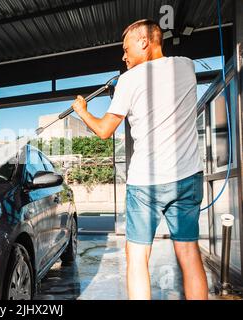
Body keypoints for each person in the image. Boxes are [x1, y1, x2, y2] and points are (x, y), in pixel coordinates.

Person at [71, 19, 208, 300]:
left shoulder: (129, 80)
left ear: (144, 42)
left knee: (136, 258)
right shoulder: (186, 66)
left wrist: (82, 110)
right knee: (189, 252)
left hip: (147, 183)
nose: (123, 56)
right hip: (188, 177)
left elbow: (104, 131)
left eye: (125, 49)